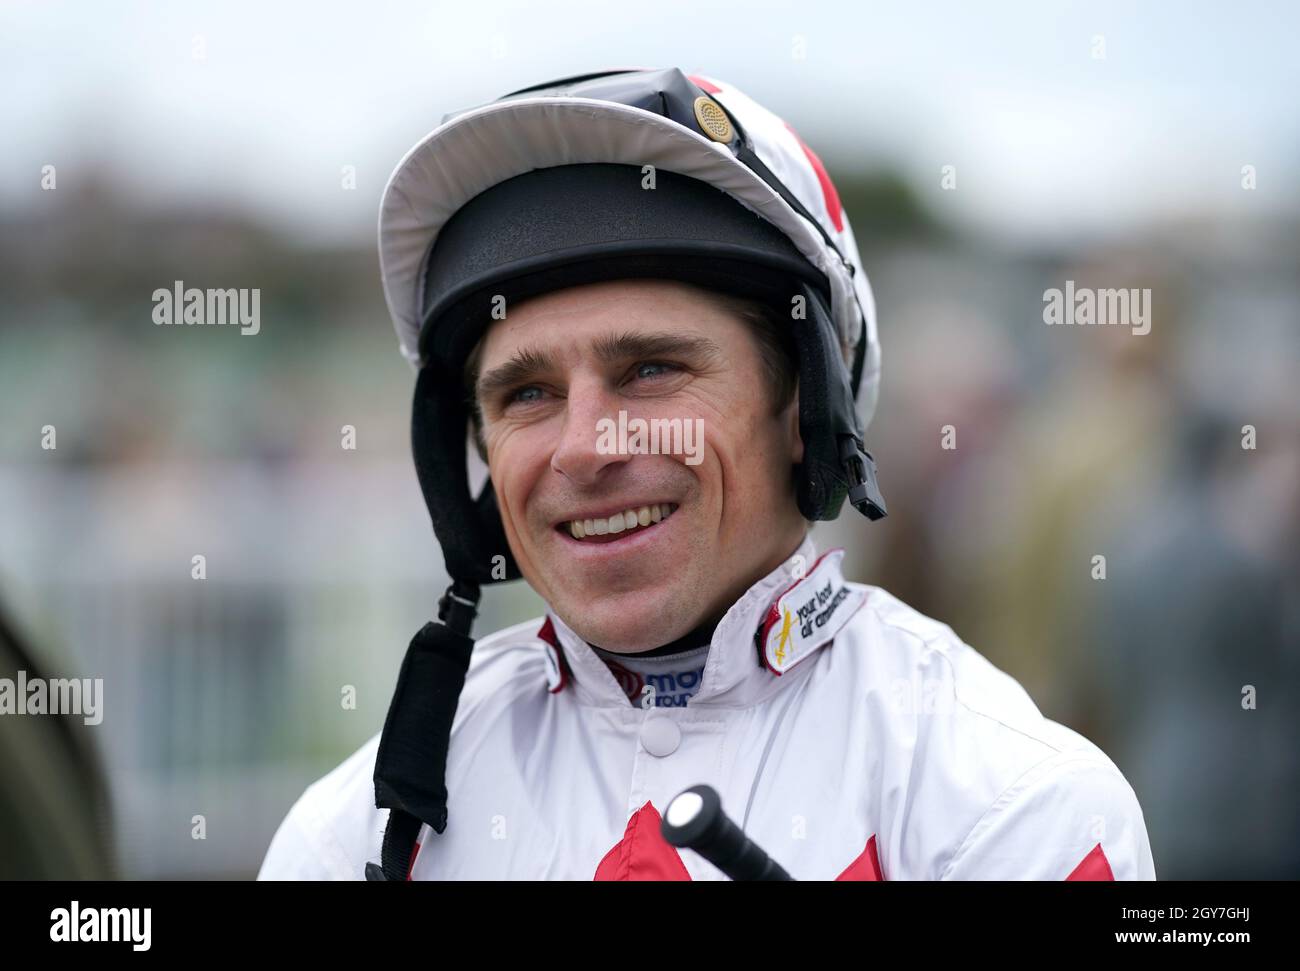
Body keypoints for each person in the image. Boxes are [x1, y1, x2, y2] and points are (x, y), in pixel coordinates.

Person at [257, 68, 1155, 880]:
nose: (583, 447)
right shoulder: (350, 837)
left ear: (808, 407)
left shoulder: (1017, 808)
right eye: (528, 391)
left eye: (650, 370)